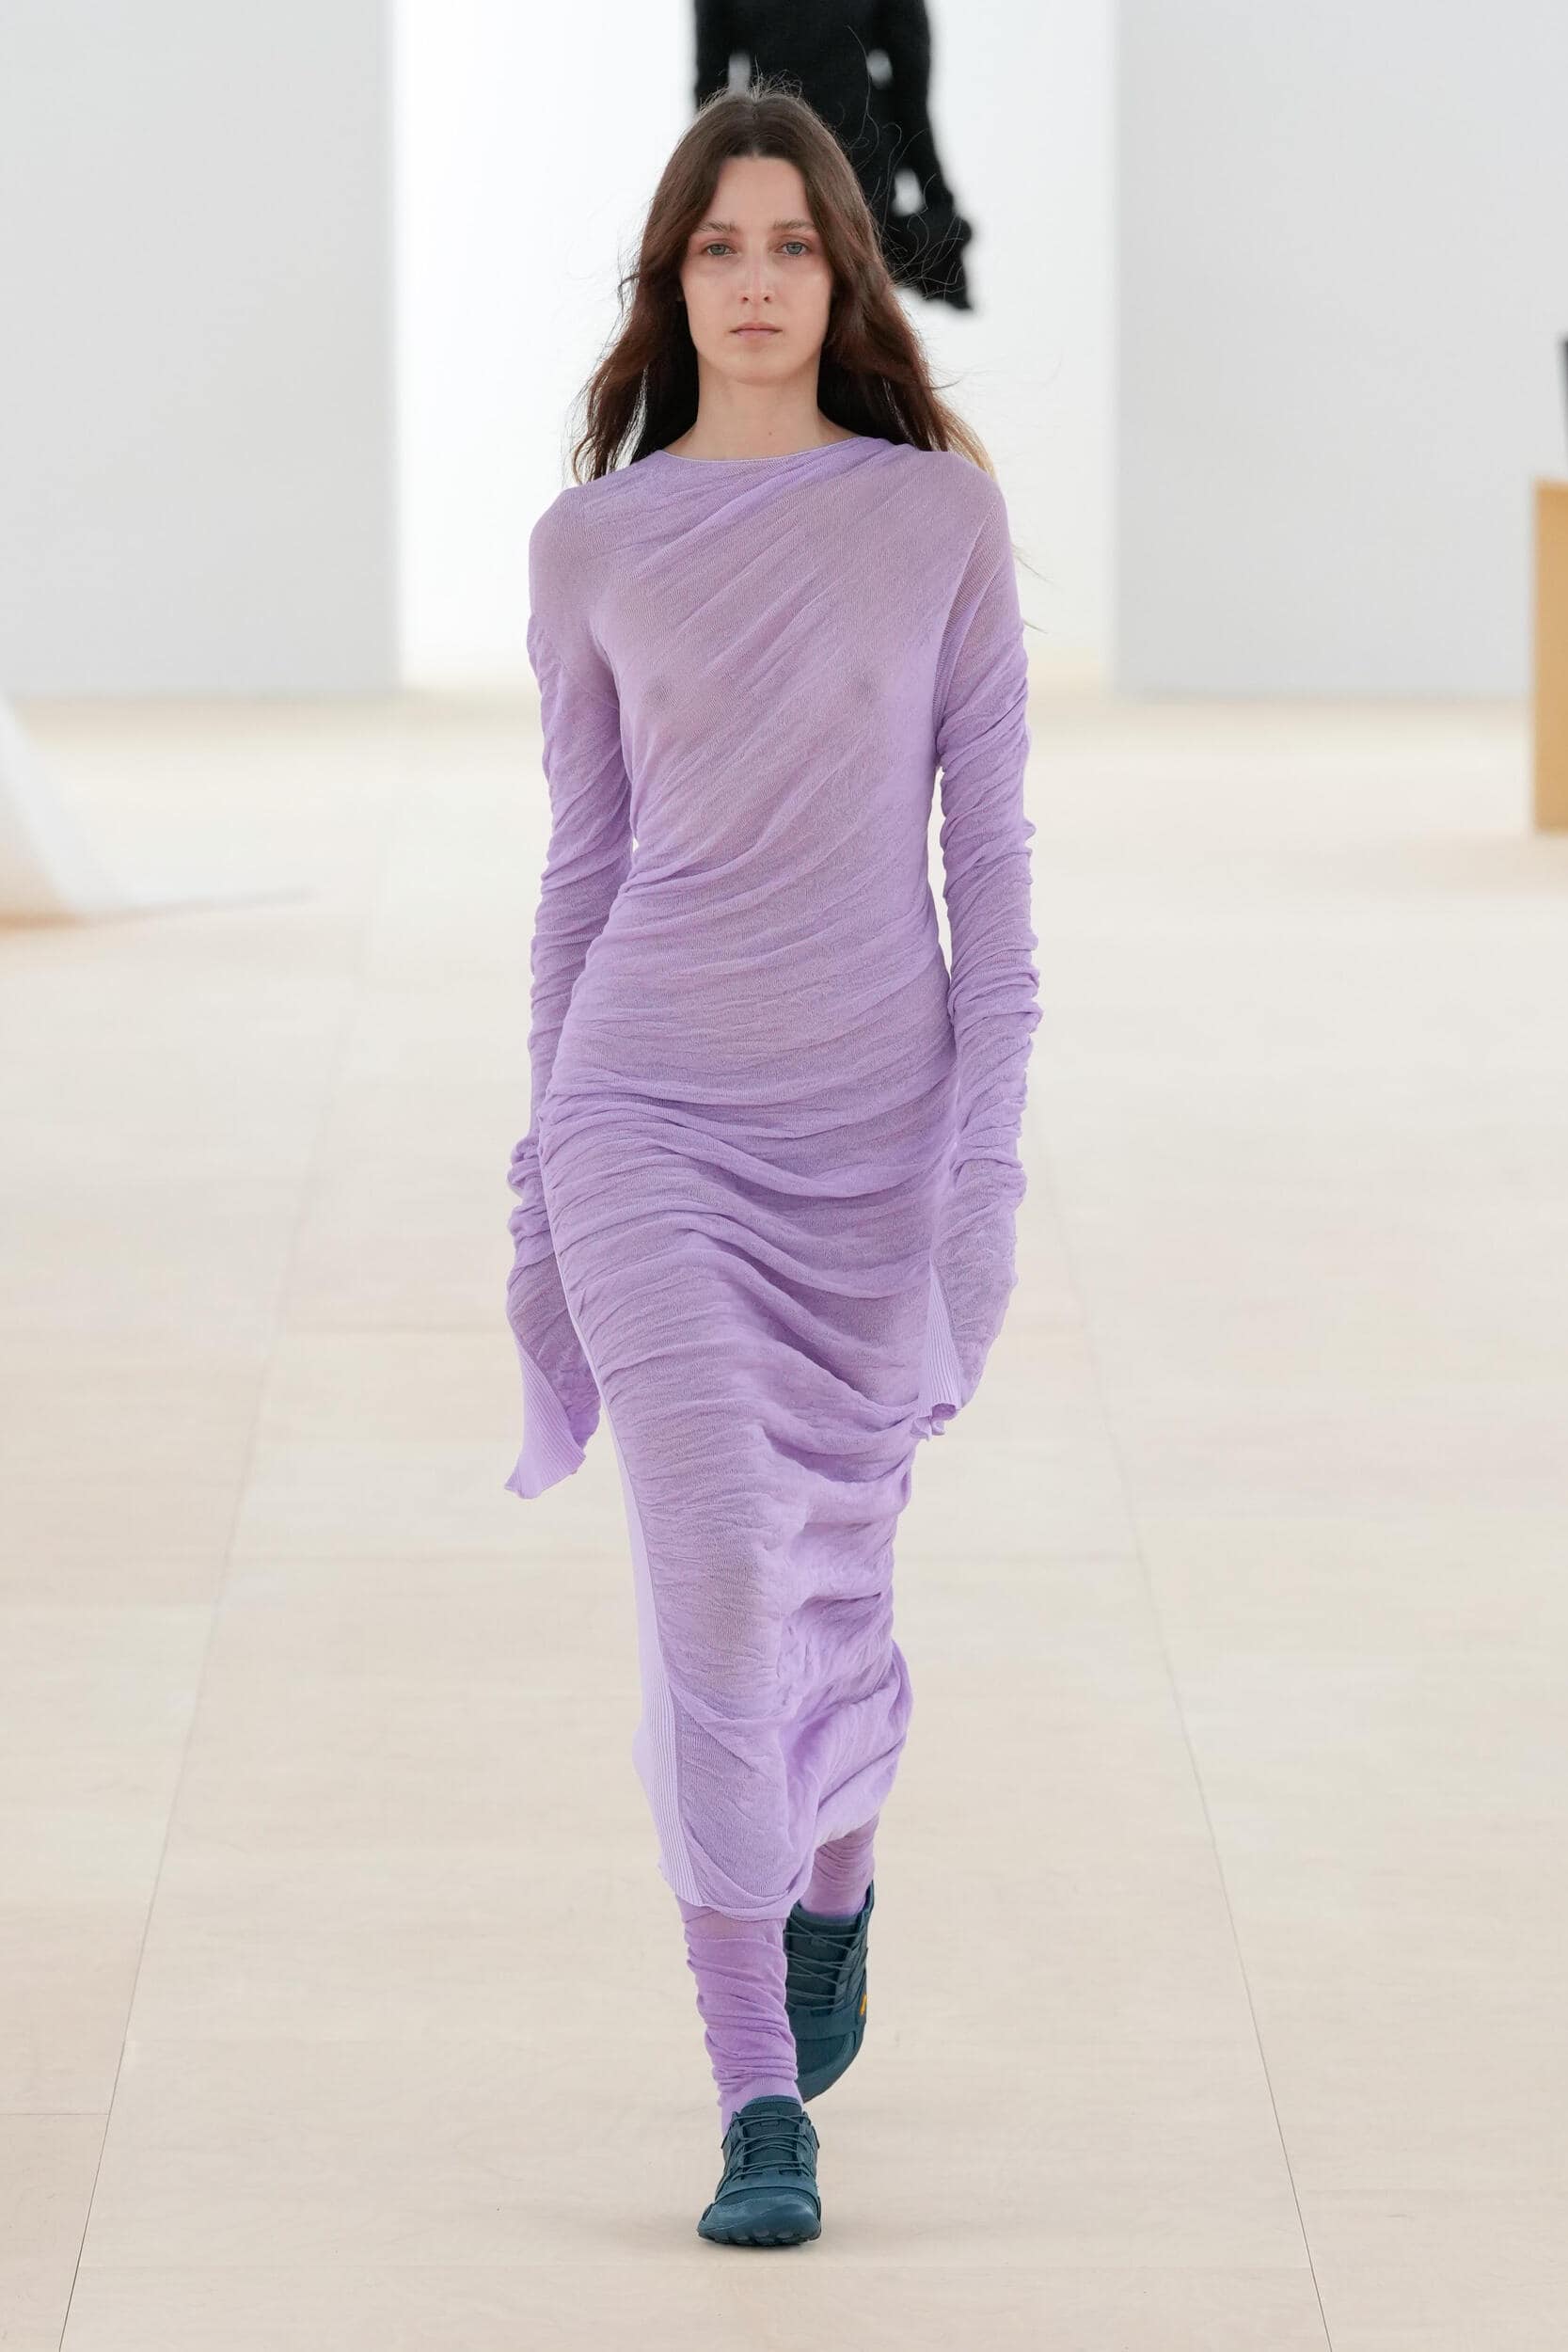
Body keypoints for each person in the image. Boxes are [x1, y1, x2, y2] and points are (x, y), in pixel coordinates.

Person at [503, 81, 1040, 2248]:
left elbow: (993, 882)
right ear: (671, 282)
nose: (753, 282)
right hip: (645, 1113)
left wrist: (982, 1181)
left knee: (836, 1565)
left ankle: (838, 1868)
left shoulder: (938, 522)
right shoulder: (594, 547)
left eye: (790, 245)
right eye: (715, 248)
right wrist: (537, 1188)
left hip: (869, 1133)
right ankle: (754, 2096)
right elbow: (581, 878)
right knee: (718, 1571)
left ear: (843, 273)